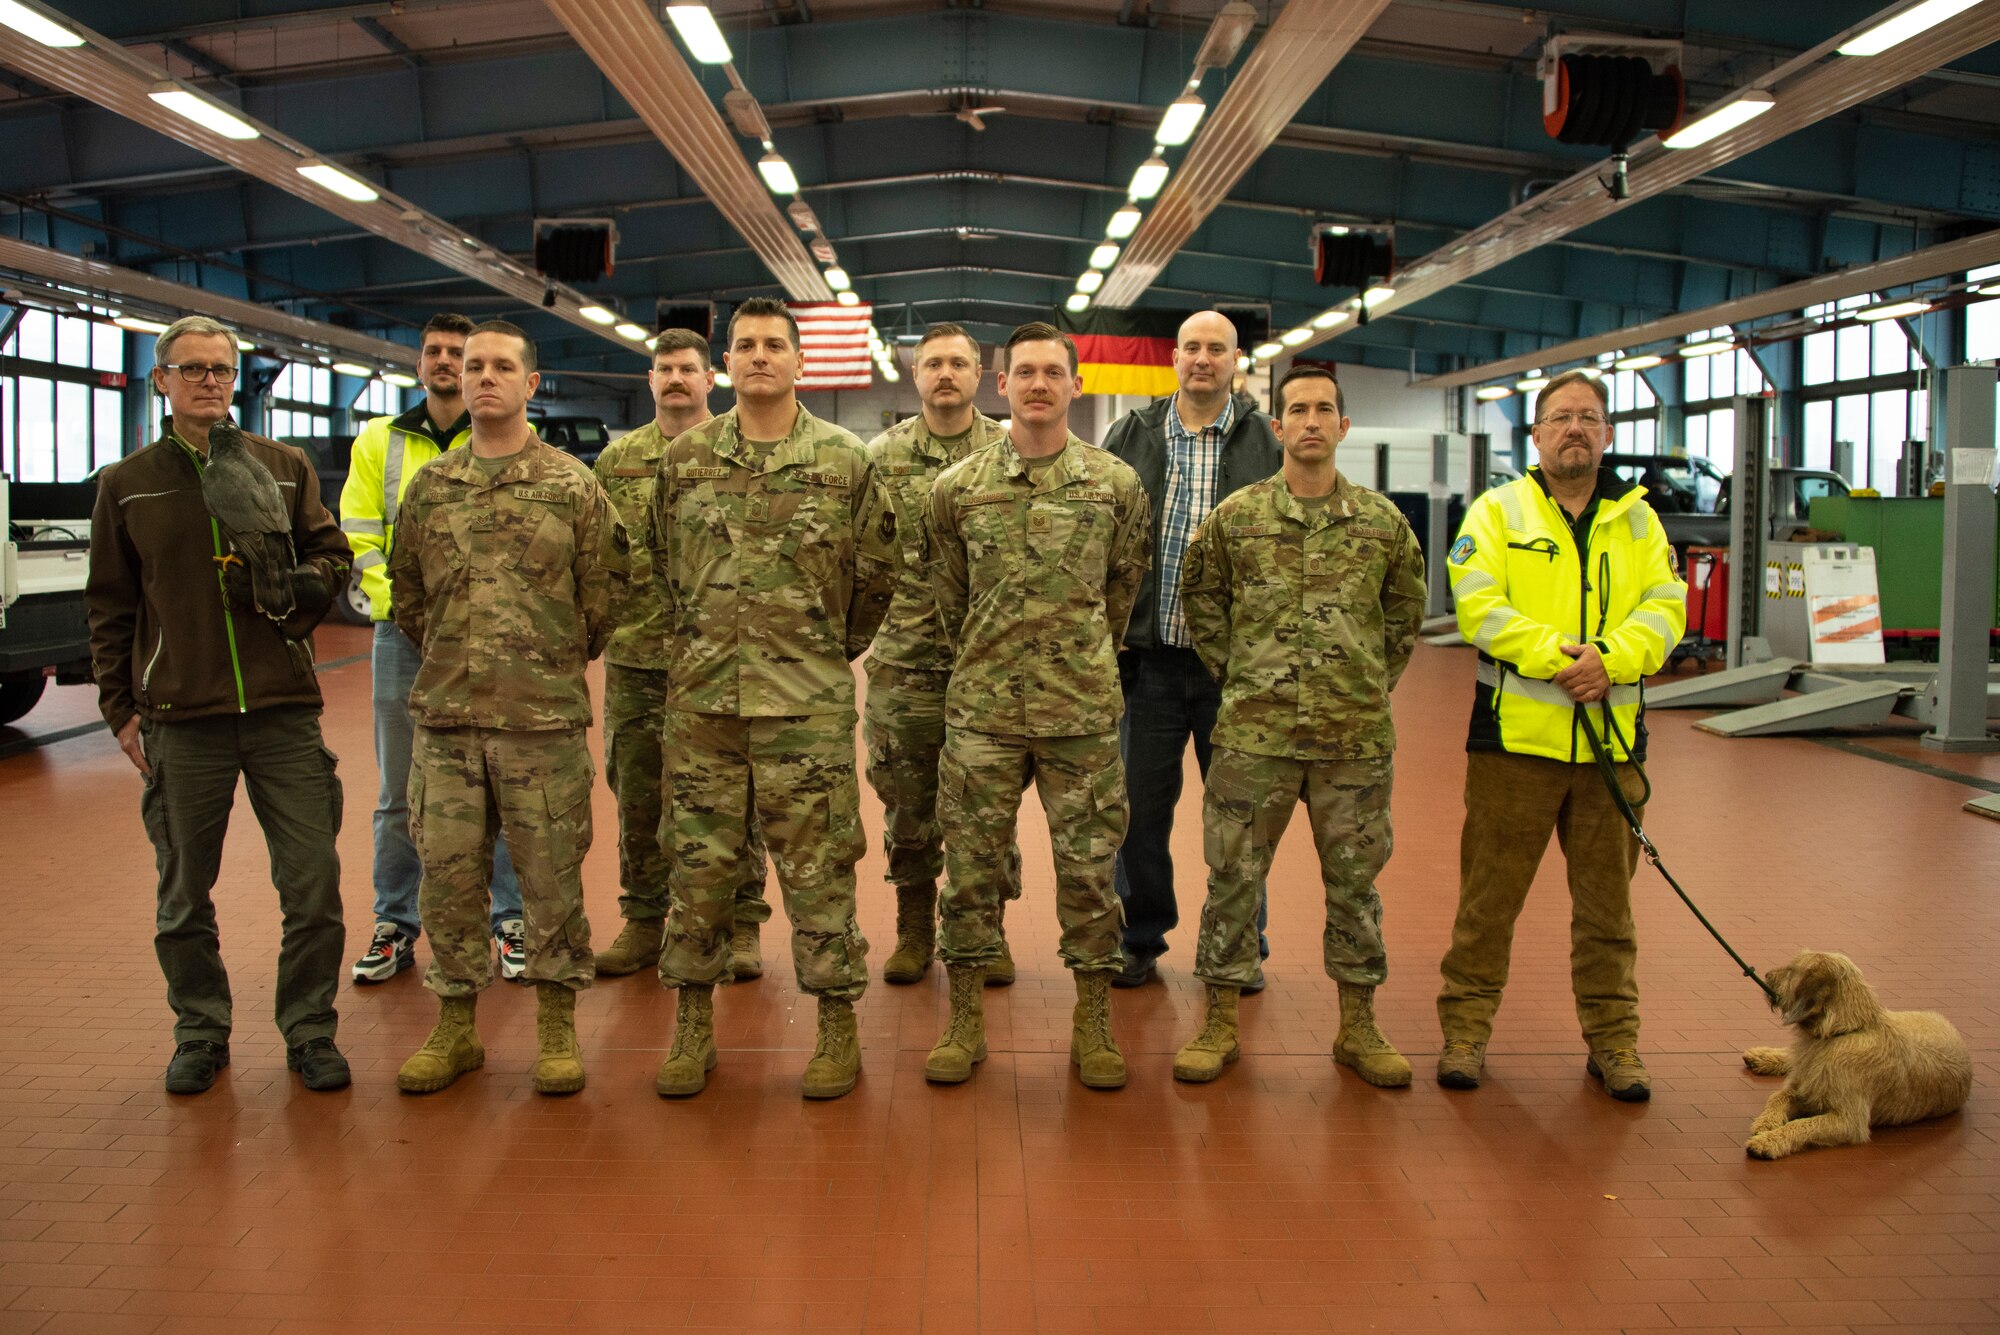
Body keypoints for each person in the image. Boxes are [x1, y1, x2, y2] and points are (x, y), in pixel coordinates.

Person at [86, 314, 351, 1095]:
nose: (209, 381)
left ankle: (309, 1030)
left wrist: (303, 585)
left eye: (222, 371)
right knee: (182, 894)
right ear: (160, 379)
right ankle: (200, 1029)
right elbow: (109, 604)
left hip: (282, 713)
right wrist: (120, 710)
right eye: (192, 368)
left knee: (312, 884)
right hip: (181, 719)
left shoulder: (283, 466)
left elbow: (332, 554)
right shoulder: (127, 483)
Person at [648, 297, 896, 1101]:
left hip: (807, 706)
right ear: (726, 363)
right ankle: (692, 1023)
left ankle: (835, 1023)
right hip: (704, 707)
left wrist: (823, 651)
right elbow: (662, 564)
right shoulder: (683, 461)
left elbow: (878, 576)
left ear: (800, 362)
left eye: (774, 345)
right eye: (745, 345)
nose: (760, 356)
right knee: (699, 866)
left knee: (819, 867)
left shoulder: (846, 460)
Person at [387, 320, 626, 1096]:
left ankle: (556, 1028)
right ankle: (456, 1026)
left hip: (542, 724)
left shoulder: (572, 486)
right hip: (448, 722)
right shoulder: (430, 488)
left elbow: (605, 597)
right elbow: (410, 598)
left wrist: (547, 661)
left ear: (530, 384)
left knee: (551, 878)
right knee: (449, 879)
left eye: (500, 366)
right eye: (470, 363)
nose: (481, 374)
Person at [1435, 367, 1687, 1101]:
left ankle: (1615, 1043)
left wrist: (1611, 661)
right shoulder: (1497, 512)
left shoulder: (1640, 521)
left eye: (1589, 417)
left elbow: (1666, 608)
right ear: (1536, 433)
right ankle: (1465, 1033)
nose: (1575, 428)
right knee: (1488, 903)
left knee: (1609, 912)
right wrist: (1564, 662)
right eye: (1561, 417)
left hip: (1611, 749)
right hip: (1515, 745)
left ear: (1605, 434)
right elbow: (1478, 605)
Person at [1173, 367, 1426, 1087]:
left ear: (1344, 426)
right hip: (1255, 737)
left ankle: (1358, 1024)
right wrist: (1246, 676)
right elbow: (1203, 599)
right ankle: (1220, 1021)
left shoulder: (1381, 523)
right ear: (1276, 427)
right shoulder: (1237, 516)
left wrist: (1365, 683)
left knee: (1355, 884)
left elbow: (1406, 614)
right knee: (1231, 879)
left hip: (1354, 741)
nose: (1310, 421)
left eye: (1324, 409)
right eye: (1296, 410)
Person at [925, 322, 1152, 1090]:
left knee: (1090, 874)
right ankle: (963, 1021)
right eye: (1024, 372)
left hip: (1081, 714)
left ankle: (1093, 1023)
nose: (1038, 385)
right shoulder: (956, 489)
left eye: (1053, 372)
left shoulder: (1114, 484)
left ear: (1075, 385)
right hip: (982, 712)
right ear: (1003, 385)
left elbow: (1121, 590)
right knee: (971, 872)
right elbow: (950, 597)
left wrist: (1079, 656)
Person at [341, 313, 527, 985]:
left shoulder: (503, 440)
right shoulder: (379, 442)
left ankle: (508, 919)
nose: (450, 363)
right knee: (399, 790)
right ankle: (395, 921)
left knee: (501, 780)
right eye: (437, 352)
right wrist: (405, 613)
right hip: (406, 638)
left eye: (461, 352)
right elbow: (359, 535)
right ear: (419, 365)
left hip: (495, 640)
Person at [1102, 311, 1283, 989]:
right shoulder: (1135, 432)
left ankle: (1240, 944)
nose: (1204, 359)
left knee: (1239, 817)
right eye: (1193, 348)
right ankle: (1138, 936)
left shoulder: (1267, 441)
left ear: (1237, 360)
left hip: (1232, 672)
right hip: (1147, 664)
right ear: (1174, 357)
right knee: (1138, 816)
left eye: (1218, 348)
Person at [591, 330, 772, 981]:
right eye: (664, 368)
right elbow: (599, 560)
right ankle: (644, 921)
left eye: (687, 369)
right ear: (650, 378)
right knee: (637, 794)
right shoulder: (618, 462)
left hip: (723, 657)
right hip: (639, 656)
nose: (675, 378)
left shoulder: (740, 451)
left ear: (709, 378)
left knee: (732, 797)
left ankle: (743, 923)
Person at [862, 323, 1021, 986]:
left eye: (959, 362)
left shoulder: (1011, 452)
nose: (946, 373)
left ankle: (986, 931)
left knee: (988, 807)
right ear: (914, 373)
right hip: (905, 666)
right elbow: (856, 559)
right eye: (933, 363)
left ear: (981, 372)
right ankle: (913, 928)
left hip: (988, 668)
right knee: (908, 802)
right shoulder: (878, 456)